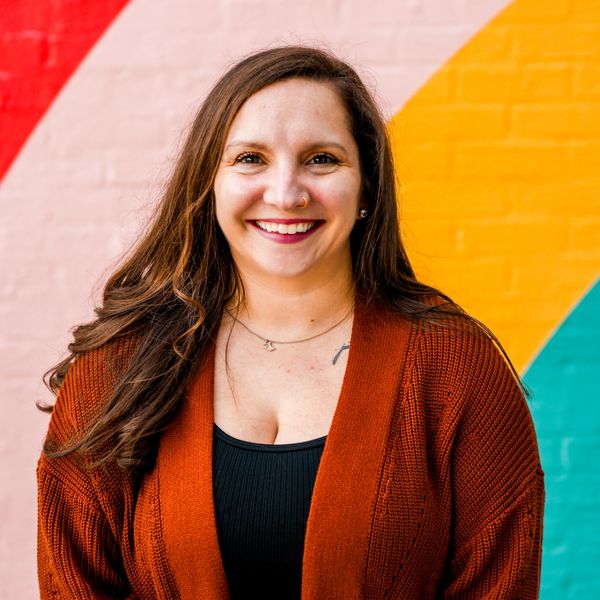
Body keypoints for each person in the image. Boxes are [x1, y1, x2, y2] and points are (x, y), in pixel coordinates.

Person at [37, 46, 544, 599]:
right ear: (209, 184)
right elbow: (73, 584)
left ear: (367, 185)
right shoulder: (120, 366)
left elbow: (499, 585)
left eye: (322, 158)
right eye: (250, 158)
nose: (285, 193)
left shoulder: (456, 369)